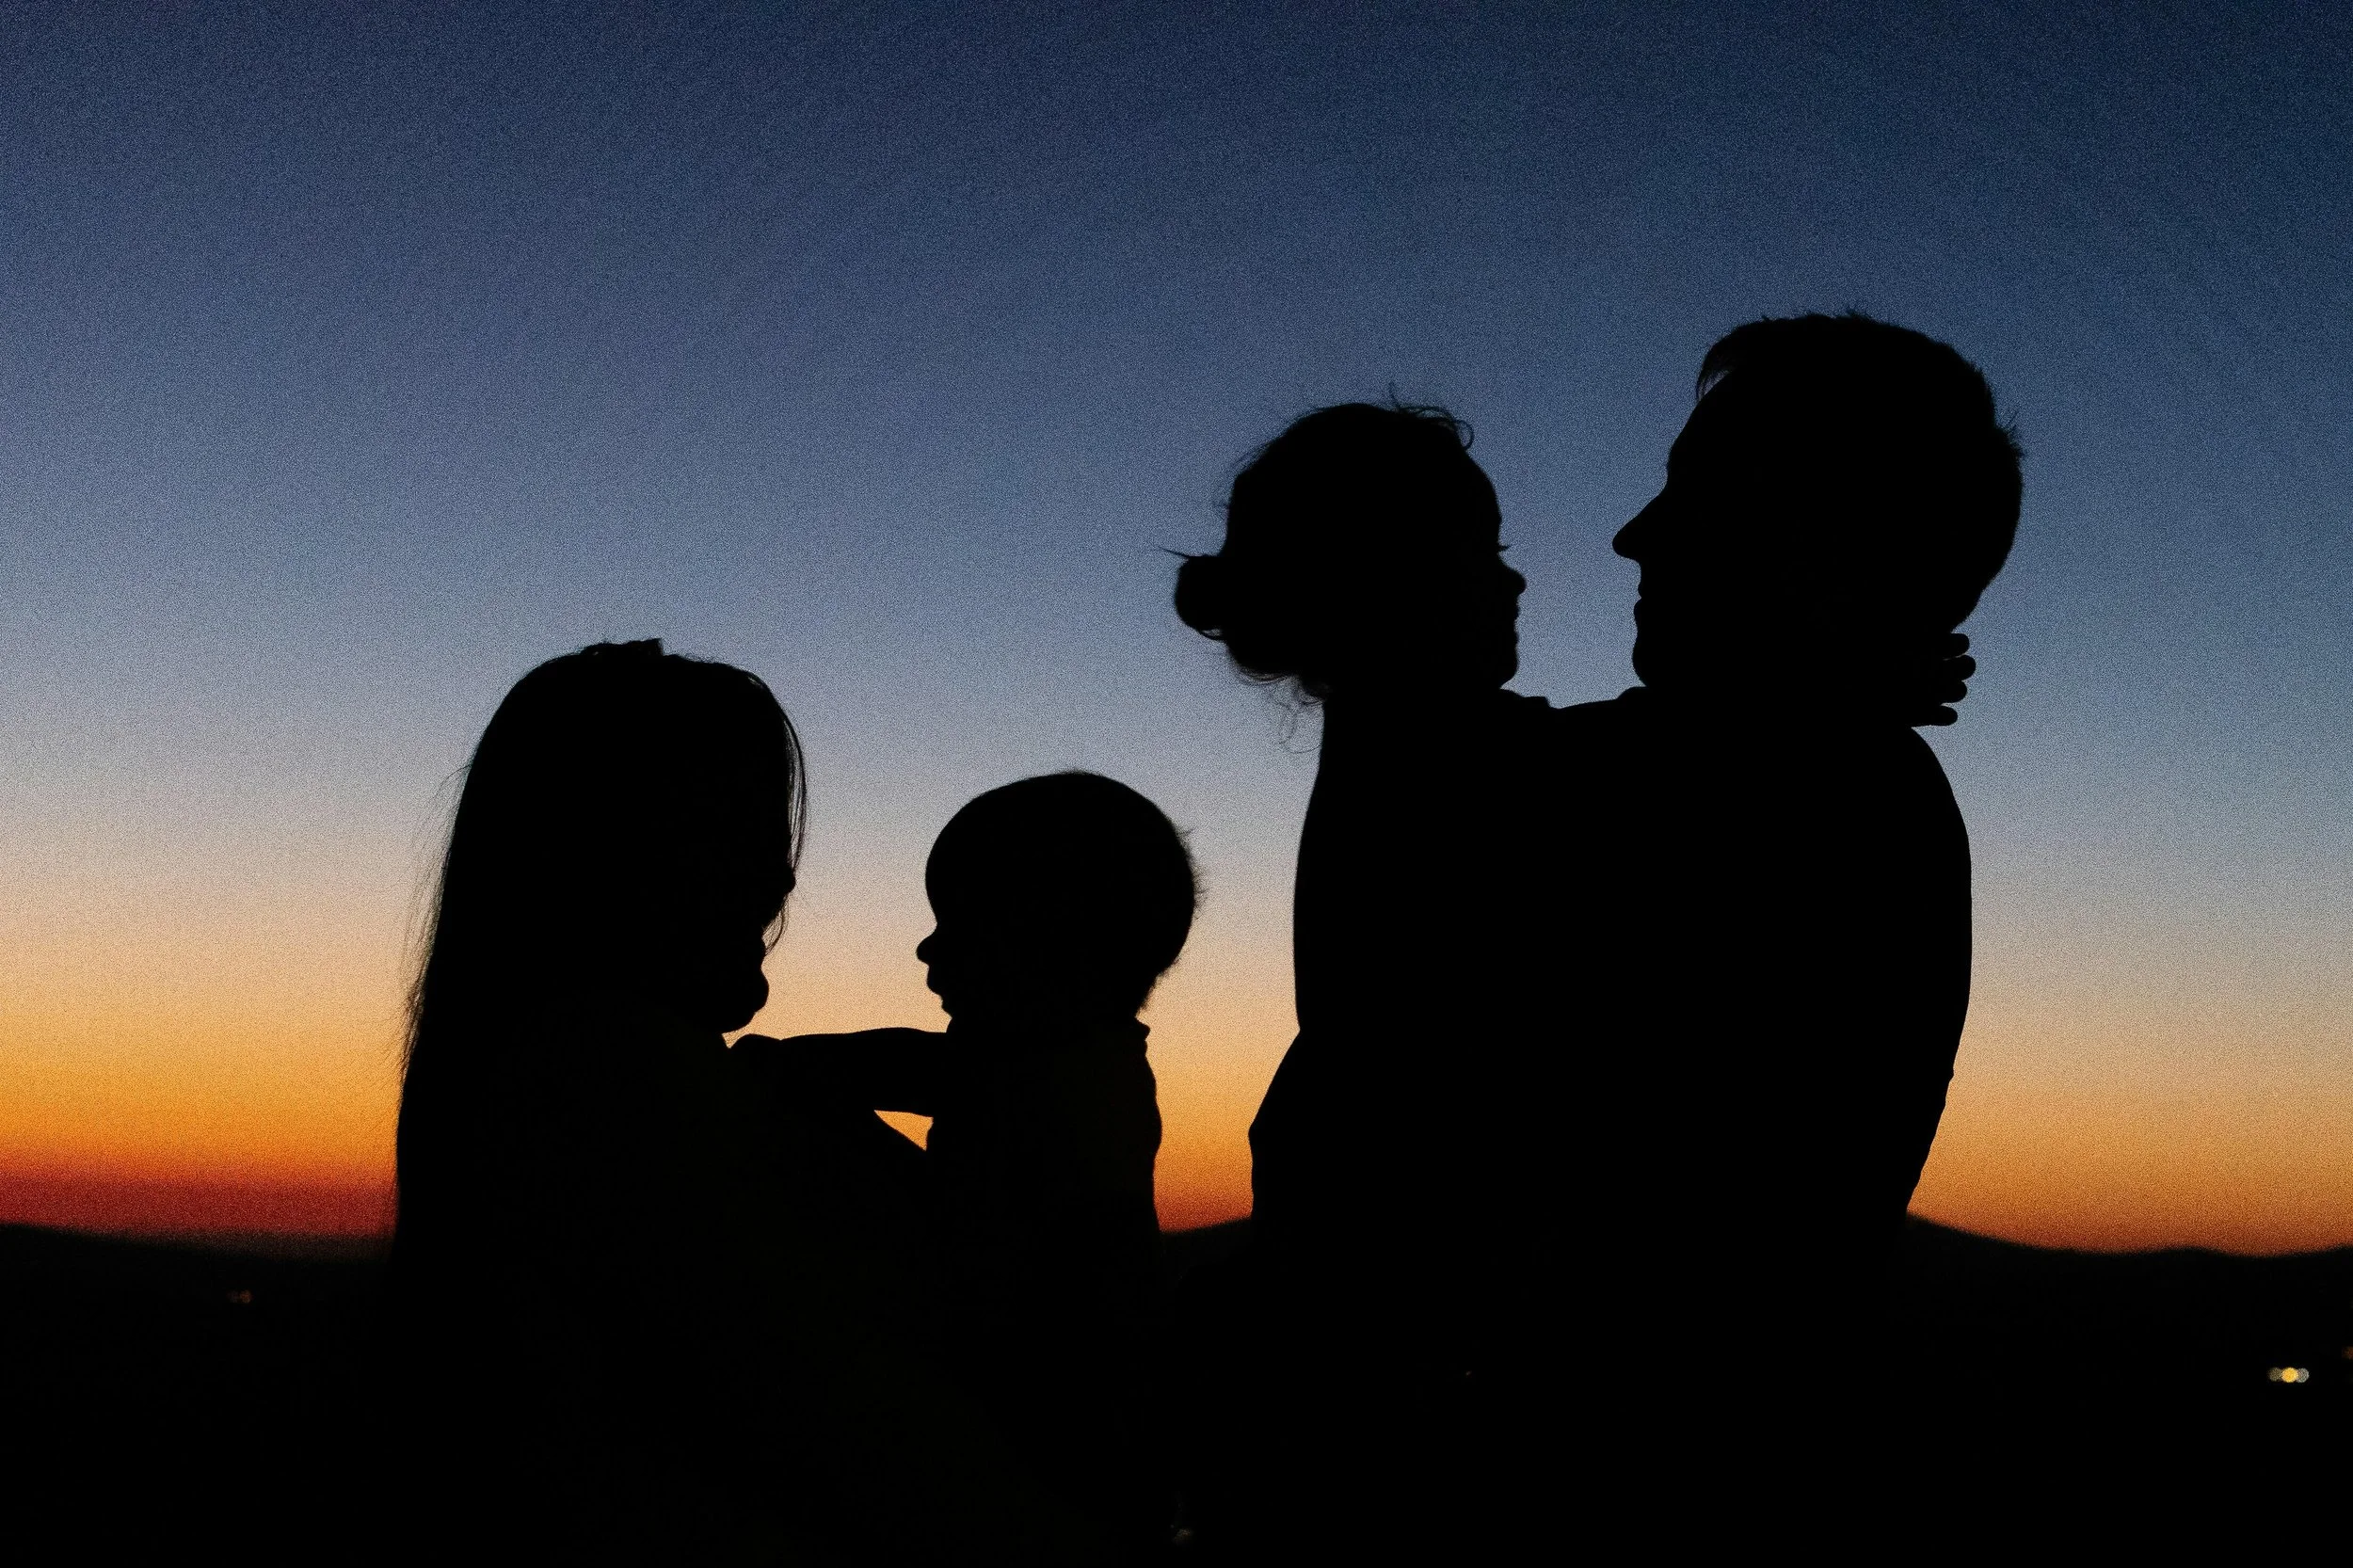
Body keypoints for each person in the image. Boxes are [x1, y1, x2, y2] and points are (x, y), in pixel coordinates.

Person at [388, 640, 1094, 1560]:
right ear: (588, 850)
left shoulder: (588, 1079)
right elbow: (896, 1457)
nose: (780, 877)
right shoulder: (606, 1081)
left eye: (773, 832)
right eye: (726, 831)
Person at [1561, 313, 2019, 1486]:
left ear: (1826, 553)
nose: (1632, 536)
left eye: (1699, 493)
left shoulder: (1778, 797)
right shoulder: (1825, 775)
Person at [751, 772, 1192, 1557]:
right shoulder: (1066, 1067)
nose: (927, 947)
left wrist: (777, 1066)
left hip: (1059, 1426)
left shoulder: (1063, 1073)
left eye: (960, 925)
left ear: (1061, 948)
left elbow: (895, 1068)